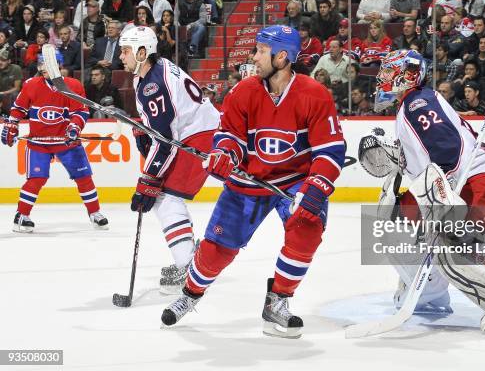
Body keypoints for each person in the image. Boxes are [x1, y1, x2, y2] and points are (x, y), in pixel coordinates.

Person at [160, 25, 346, 339]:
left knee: (307, 227)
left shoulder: (314, 94)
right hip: (248, 180)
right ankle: (190, 294)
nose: (254, 56)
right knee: (218, 248)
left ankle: (278, 302)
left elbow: (330, 150)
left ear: (282, 56)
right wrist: (224, 156)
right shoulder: (243, 91)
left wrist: (316, 188)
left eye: (261, 50)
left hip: (294, 181)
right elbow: (229, 137)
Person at [372, 49, 485, 332]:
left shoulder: (417, 104)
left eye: (389, 72)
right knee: (396, 215)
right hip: (462, 179)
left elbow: (447, 147)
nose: (383, 79)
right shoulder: (411, 106)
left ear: (408, 74)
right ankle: (431, 293)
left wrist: (445, 197)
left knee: (454, 243)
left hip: (478, 176)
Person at [118, 26, 220, 293]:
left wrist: (148, 179)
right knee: (165, 197)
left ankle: (189, 267)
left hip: (199, 136)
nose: (122, 56)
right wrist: (146, 128)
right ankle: (189, 258)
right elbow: (164, 125)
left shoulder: (152, 84)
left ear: (143, 52)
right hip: (196, 131)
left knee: (165, 198)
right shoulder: (152, 70)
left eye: (126, 50)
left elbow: (165, 141)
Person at [1, 49, 109, 232]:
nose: (43, 67)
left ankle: (94, 213)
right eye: (41, 63)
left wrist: (74, 127)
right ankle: (22, 216)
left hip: (66, 142)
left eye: (48, 63)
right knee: (37, 178)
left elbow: (81, 112)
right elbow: (18, 108)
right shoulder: (31, 84)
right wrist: (12, 124)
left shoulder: (73, 85)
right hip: (39, 142)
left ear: (59, 65)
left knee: (83, 177)